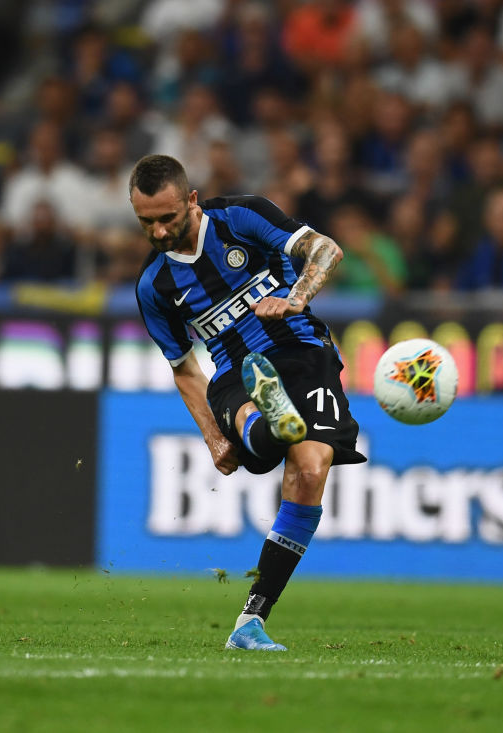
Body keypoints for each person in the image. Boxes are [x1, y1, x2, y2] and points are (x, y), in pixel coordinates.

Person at [129, 154, 366, 651]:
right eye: (146, 222)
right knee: (253, 429)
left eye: (167, 218)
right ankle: (266, 424)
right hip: (236, 373)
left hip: (303, 352)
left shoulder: (240, 217)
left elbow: (326, 248)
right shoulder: (154, 286)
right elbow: (184, 367)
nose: (158, 232)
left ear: (192, 200)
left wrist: (297, 296)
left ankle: (250, 622)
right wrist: (212, 439)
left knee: (311, 469)